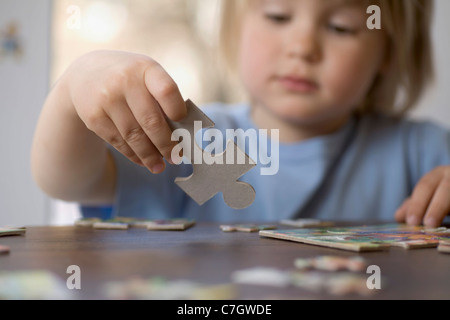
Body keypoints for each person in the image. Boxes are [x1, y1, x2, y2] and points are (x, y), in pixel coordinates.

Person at [31, 0, 450, 226]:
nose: (302, 47)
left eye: (340, 26)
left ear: (389, 53)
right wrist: (72, 92)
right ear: (236, 26)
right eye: (277, 15)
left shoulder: (423, 150)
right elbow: (69, 182)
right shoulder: (200, 141)